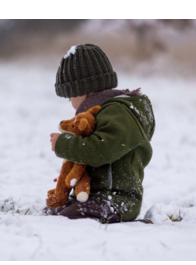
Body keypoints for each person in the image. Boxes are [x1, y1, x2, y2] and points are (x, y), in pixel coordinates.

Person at [44, 44, 156, 224]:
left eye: (70, 98)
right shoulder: (103, 112)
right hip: (96, 196)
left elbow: (101, 150)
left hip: (118, 200)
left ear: (84, 93)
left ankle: (134, 225)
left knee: (68, 218)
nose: (71, 104)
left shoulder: (118, 113)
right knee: (56, 210)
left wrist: (64, 145)